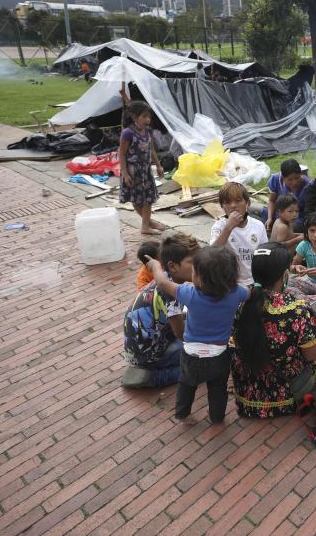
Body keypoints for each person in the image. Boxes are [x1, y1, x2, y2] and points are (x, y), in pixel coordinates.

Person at [231, 243, 316, 418]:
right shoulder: (297, 309)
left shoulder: (239, 301)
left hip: (245, 393)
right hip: (285, 394)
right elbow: (311, 355)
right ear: (285, 275)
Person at [148, 246, 249, 424]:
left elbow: (163, 283)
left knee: (186, 385)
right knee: (218, 389)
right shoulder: (236, 293)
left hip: (190, 354)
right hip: (219, 355)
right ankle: (216, 418)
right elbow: (249, 292)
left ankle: (183, 415)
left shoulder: (189, 294)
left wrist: (156, 265)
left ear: (199, 278)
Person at [121, 233, 200, 388]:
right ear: (172, 266)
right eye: (192, 262)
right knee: (201, 363)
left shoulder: (165, 279)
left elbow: (171, 317)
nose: (198, 266)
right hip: (148, 354)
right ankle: (151, 377)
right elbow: (181, 334)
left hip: (141, 347)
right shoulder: (171, 293)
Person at [119, 101, 166, 235]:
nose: (148, 119)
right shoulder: (127, 133)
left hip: (145, 171)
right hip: (133, 172)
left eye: (149, 117)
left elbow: (152, 150)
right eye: (144, 116)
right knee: (136, 199)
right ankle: (147, 224)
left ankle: (147, 224)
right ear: (135, 117)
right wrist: (125, 174)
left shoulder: (148, 131)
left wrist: (158, 165)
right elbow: (121, 154)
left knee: (148, 198)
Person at [210, 182, 268, 285]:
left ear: (247, 203)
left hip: (255, 282)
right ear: (222, 206)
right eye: (227, 202)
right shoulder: (219, 227)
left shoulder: (258, 225)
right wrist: (228, 228)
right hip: (230, 284)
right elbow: (211, 255)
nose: (233, 206)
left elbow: (264, 255)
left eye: (238, 201)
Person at [262, 159, 312, 232]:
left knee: (284, 228)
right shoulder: (276, 179)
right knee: (254, 211)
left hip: (297, 218)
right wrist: (269, 218)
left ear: (301, 173)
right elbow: (272, 201)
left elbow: (310, 211)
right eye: (290, 180)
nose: (294, 182)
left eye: (297, 178)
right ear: (282, 177)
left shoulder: (308, 186)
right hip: (279, 213)